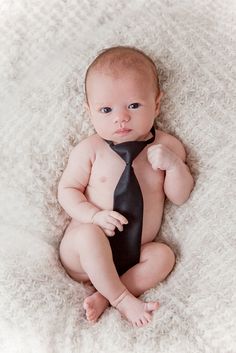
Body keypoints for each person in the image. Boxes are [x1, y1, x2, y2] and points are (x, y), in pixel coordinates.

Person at [58, 46, 194, 327]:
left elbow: (179, 196)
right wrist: (93, 216)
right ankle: (121, 300)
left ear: (156, 104)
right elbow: (67, 191)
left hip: (131, 256)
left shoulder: (167, 147)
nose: (120, 118)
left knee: (163, 257)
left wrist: (174, 166)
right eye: (106, 109)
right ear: (89, 111)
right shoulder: (90, 150)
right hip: (84, 255)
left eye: (133, 105)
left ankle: (106, 295)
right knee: (88, 236)